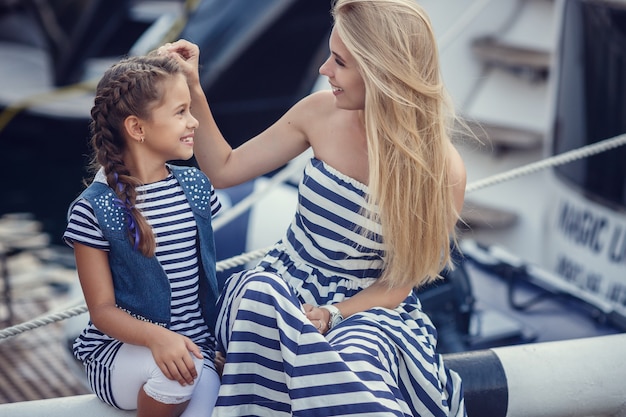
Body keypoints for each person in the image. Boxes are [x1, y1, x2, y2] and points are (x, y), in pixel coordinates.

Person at [166, 0, 467, 415]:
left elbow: (398, 285)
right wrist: (194, 91)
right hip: (278, 288)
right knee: (261, 295)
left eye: (339, 61)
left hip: (367, 308)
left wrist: (331, 314)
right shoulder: (318, 112)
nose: (324, 70)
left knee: (360, 353)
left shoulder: (443, 170)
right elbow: (224, 168)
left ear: (382, 72)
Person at [63, 52, 222, 417]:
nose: (193, 121)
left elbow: (206, 279)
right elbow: (102, 311)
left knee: (208, 395)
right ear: (137, 128)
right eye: (180, 112)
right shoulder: (95, 209)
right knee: (179, 376)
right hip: (118, 355)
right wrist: (157, 337)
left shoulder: (195, 186)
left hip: (194, 349)